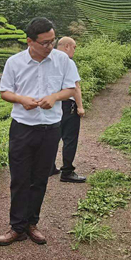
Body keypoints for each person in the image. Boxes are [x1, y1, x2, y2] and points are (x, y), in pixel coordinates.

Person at [0, 17, 78, 247]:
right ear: (30, 41)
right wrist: (21, 99)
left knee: (40, 178)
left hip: (50, 129)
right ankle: (17, 227)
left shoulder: (62, 60)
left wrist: (55, 97)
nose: (50, 46)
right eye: (45, 43)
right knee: (19, 178)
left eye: (52, 41)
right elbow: (4, 92)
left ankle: (32, 223)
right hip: (22, 128)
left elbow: (71, 88)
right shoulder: (14, 62)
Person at [51, 37, 86, 183]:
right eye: (74, 47)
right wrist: (80, 106)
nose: (74, 51)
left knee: (53, 137)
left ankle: (49, 167)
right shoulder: (68, 62)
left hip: (52, 103)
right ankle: (67, 171)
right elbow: (75, 87)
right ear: (67, 46)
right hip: (67, 104)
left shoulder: (48, 58)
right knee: (70, 138)